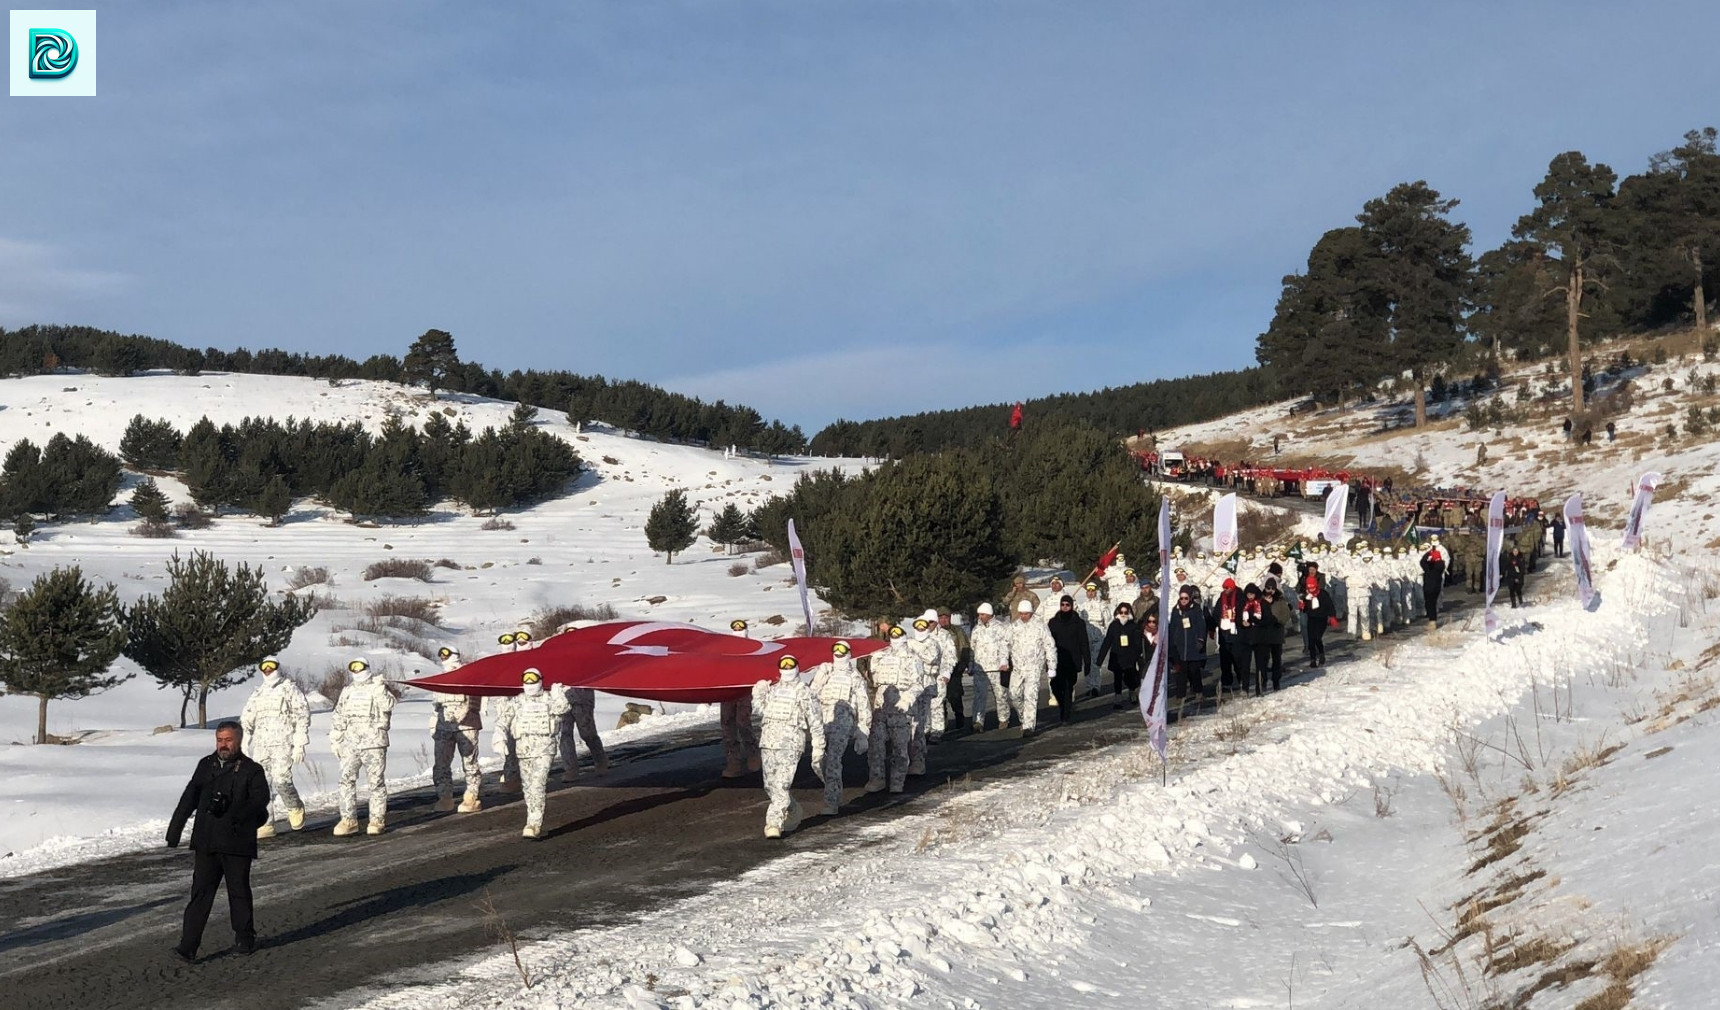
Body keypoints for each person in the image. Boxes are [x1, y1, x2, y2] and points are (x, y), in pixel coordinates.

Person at [167, 720, 269, 961]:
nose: (223, 745)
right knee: (200, 894)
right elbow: (189, 797)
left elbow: (260, 801)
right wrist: (175, 829)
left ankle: (245, 937)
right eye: (219, 740)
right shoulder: (206, 765)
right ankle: (188, 946)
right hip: (207, 841)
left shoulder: (252, 770)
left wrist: (235, 812)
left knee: (239, 891)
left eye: (228, 740)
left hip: (236, 842)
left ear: (239, 740)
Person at [492, 668, 569, 839]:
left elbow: (562, 710)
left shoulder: (549, 698)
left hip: (544, 749)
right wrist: (498, 736)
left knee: (537, 784)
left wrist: (559, 695)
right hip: (523, 750)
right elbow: (503, 720)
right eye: (526, 679)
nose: (530, 682)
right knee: (528, 788)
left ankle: (534, 823)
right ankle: (531, 817)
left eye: (533, 678)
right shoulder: (517, 701)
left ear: (541, 680)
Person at [238, 658, 309, 837]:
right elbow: (247, 718)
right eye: (264, 667)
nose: (268, 670)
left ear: (278, 667)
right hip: (262, 745)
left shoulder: (289, 689)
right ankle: (266, 823)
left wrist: (300, 742)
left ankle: (294, 806)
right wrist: (245, 740)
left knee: (281, 780)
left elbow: (302, 715)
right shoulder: (258, 693)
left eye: (271, 667)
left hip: (283, 743)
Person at [754, 655, 822, 838]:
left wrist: (818, 744)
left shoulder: (804, 692)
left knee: (782, 785)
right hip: (769, 742)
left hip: (791, 744)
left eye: (790, 665)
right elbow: (762, 712)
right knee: (770, 786)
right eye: (783, 665)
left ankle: (773, 823)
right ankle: (793, 809)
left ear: (797, 668)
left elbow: (815, 720)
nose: (787, 668)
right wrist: (759, 694)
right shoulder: (773, 690)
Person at [330, 659, 395, 837]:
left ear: (367, 668)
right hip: (351, 743)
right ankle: (348, 820)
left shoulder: (378, 687)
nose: (357, 671)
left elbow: (388, 706)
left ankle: (376, 820)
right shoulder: (348, 691)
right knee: (345, 780)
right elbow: (339, 715)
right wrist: (336, 738)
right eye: (353, 668)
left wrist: (380, 688)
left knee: (375, 782)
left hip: (374, 743)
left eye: (360, 667)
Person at [809, 640, 871, 815]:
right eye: (835, 649)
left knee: (834, 760)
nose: (838, 652)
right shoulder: (825, 671)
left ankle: (831, 802)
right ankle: (831, 783)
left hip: (843, 722)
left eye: (842, 650)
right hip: (823, 720)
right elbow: (810, 697)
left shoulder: (855, 677)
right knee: (817, 759)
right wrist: (817, 680)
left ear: (849, 653)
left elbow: (863, 704)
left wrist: (863, 731)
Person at [866, 625, 921, 793]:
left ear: (904, 638)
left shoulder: (912, 658)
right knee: (876, 746)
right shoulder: (880, 655)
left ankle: (897, 781)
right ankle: (877, 778)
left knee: (900, 748)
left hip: (900, 711)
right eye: (893, 637)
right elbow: (873, 679)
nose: (895, 640)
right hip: (881, 709)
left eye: (898, 636)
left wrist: (908, 699)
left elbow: (918, 685)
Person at [428, 647, 483, 814]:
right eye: (441, 656)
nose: (444, 659)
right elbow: (436, 705)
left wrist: (459, 716)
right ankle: (445, 797)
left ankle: (472, 796)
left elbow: (474, 700)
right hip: (444, 727)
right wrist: (434, 722)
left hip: (466, 725)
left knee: (469, 763)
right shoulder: (440, 679)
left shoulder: (468, 674)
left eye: (447, 655)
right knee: (441, 763)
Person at [1004, 599, 1056, 736]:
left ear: (1031, 613)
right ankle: (1023, 717)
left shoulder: (1041, 627)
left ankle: (1028, 726)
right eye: (1021, 613)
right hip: (1018, 668)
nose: (1023, 616)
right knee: (1014, 694)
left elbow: (1050, 646)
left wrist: (1052, 666)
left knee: (1030, 696)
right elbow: (1005, 645)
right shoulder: (1014, 627)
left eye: (1026, 613)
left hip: (1034, 668)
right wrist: (1004, 661)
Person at [720, 619, 763, 778]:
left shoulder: (754, 648)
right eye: (735, 630)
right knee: (727, 724)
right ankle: (733, 761)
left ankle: (753, 754)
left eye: (741, 630)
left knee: (743, 722)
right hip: (727, 691)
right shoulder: (725, 650)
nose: (738, 632)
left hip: (745, 690)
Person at [1046, 595, 1091, 721]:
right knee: (1055, 685)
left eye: (1067, 605)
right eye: (1063, 605)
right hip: (1057, 660)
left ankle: (1065, 714)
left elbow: (1084, 643)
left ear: (1071, 606)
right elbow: (1047, 643)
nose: (1065, 607)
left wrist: (1087, 662)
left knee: (1068, 687)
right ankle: (1063, 706)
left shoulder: (1078, 623)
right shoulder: (1053, 622)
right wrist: (1047, 662)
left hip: (1072, 660)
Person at [968, 602, 1011, 731]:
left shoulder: (1000, 628)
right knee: (979, 696)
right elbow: (972, 648)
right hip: (980, 668)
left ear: (990, 614)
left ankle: (1003, 719)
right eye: (979, 614)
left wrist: (1004, 662)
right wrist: (971, 664)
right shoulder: (976, 629)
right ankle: (977, 722)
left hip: (996, 668)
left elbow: (1005, 646)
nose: (980, 617)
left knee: (1000, 694)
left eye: (983, 614)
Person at [1094, 602, 1144, 708]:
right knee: (1117, 678)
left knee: (1130, 677)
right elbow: (1107, 641)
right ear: (1117, 612)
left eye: (1126, 612)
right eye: (1121, 612)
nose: (1123, 614)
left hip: (1129, 657)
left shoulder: (1133, 626)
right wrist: (1100, 660)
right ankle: (1118, 698)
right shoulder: (1113, 626)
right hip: (1116, 656)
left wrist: (1136, 655)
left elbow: (1137, 643)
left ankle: (1132, 691)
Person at [1166, 587, 1208, 706]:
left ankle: (1198, 691)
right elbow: (1172, 627)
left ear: (1190, 598)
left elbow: (1201, 626)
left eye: (1186, 598)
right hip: (1179, 646)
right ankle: (1181, 695)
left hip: (1193, 645)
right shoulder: (1176, 610)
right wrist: (1171, 642)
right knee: (1181, 672)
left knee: (1194, 671)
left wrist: (1200, 640)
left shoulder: (1195, 609)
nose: (1183, 600)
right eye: (1182, 598)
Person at [1237, 583, 1278, 696]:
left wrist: (1256, 621)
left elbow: (1269, 619)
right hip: (1246, 638)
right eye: (1248, 594)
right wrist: (1242, 622)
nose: (1250, 596)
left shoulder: (1262, 603)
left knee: (1260, 665)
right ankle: (1244, 688)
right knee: (1245, 665)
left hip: (1260, 638)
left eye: (1252, 594)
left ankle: (1259, 687)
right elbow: (1237, 618)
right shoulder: (1242, 603)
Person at [1209, 577, 1247, 694]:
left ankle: (1242, 680)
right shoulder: (1221, 599)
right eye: (1224, 588)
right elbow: (1216, 613)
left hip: (1236, 633)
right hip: (1224, 633)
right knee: (1225, 661)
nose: (1225, 590)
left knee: (1238, 659)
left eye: (1227, 587)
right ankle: (1226, 682)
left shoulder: (1240, 597)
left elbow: (1243, 613)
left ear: (1232, 587)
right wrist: (1213, 625)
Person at [937, 608, 970, 727]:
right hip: (939, 669)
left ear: (949, 618)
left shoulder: (957, 631)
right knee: (940, 698)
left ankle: (959, 717)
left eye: (945, 618)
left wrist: (962, 665)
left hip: (955, 668)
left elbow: (964, 647)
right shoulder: (935, 632)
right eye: (941, 618)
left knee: (954, 695)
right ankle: (942, 722)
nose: (943, 620)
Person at [1299, 570, 1337, 668]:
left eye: (1312, 587)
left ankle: (1321, 654)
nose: (1310, 589)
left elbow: (1330, 605)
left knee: (1317, 638)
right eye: (1309, 587)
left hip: (1321, 618)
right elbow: (1304, 607)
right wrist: (1303, 605)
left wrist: (1332, 616)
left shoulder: (1323, 594)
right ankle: (1312, 659)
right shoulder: (1307, 595)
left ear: (1316, 585)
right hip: (1311, 618)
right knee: (1311, 639)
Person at [1260, 581, 1291, 691]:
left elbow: (1286, 614)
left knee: (1276, 660)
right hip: (1263, 635)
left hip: (1277, 634)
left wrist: (1279, 622)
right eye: (1268, 588)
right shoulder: (1260, 599)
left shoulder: (1280, 600)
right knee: (1263, 660)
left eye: (1273, 588)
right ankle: (1263, 682)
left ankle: (1276, 681)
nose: (1270, 591)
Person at [1420, 537, 1449, 626]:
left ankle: (1432, 619)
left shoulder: (1429, 567)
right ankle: (1433, 619)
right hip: (1436, 587)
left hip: (1428, 587)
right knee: (1433, 602)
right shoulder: (1441, 566)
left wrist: (1429, 553)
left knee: (1429, 602)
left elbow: (1422, 562)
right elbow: (1442, 562)